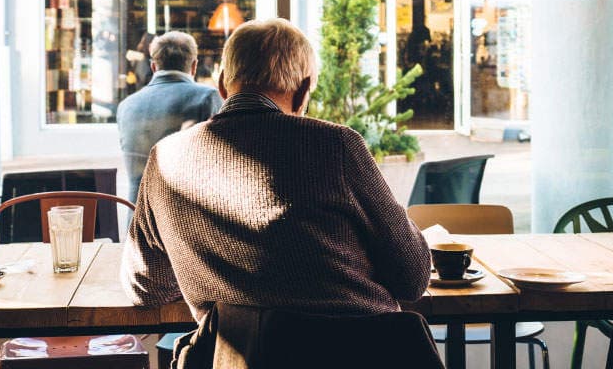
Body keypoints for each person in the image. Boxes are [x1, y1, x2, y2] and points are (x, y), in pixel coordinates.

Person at [120, 18, 430, 325]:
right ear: (304, 89)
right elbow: (412, 277)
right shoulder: (337, 146)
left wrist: (207, 269)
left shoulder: (165, 158)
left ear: (223, 84)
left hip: (236, 357)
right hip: (360, 352)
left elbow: (145, 287)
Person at [117, 31, 222, 202]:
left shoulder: (126, 106)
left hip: (136, 219)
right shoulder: (207, 97)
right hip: (184, 219)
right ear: (194, 66)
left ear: (153, 67)